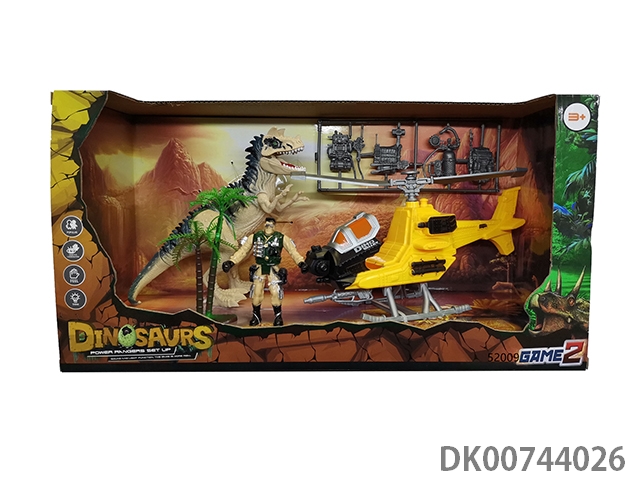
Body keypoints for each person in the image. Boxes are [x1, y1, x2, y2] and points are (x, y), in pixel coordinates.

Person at [222, 217, 307, 326]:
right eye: (267, 224)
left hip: (274, 268)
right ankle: (256, 316)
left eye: (271, 224)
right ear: (264, 224)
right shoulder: (255, 237)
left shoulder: (281, 238)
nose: (268, 226)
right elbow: (243, 251)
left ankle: (278, 316)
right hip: (260, 267)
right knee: (256, 292)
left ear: (274, 225)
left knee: (276, 292)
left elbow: (293, 252)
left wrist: (301, 263)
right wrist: (232, 261)